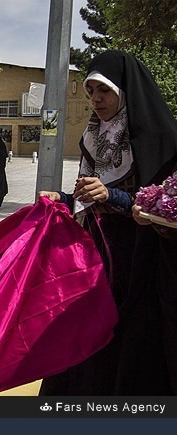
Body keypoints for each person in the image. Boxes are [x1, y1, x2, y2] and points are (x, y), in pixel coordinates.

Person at [38, 50, 177, 395]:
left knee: (133, 341)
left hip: (143, 262)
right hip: (100, 254)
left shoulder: (162, 140)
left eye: (104, 90)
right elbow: (90, 196)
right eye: (90, 92)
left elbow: (163, 207)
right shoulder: (94, 136)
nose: (96, 100)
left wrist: (112, 196)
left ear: (124, 91)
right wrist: (65, 199)